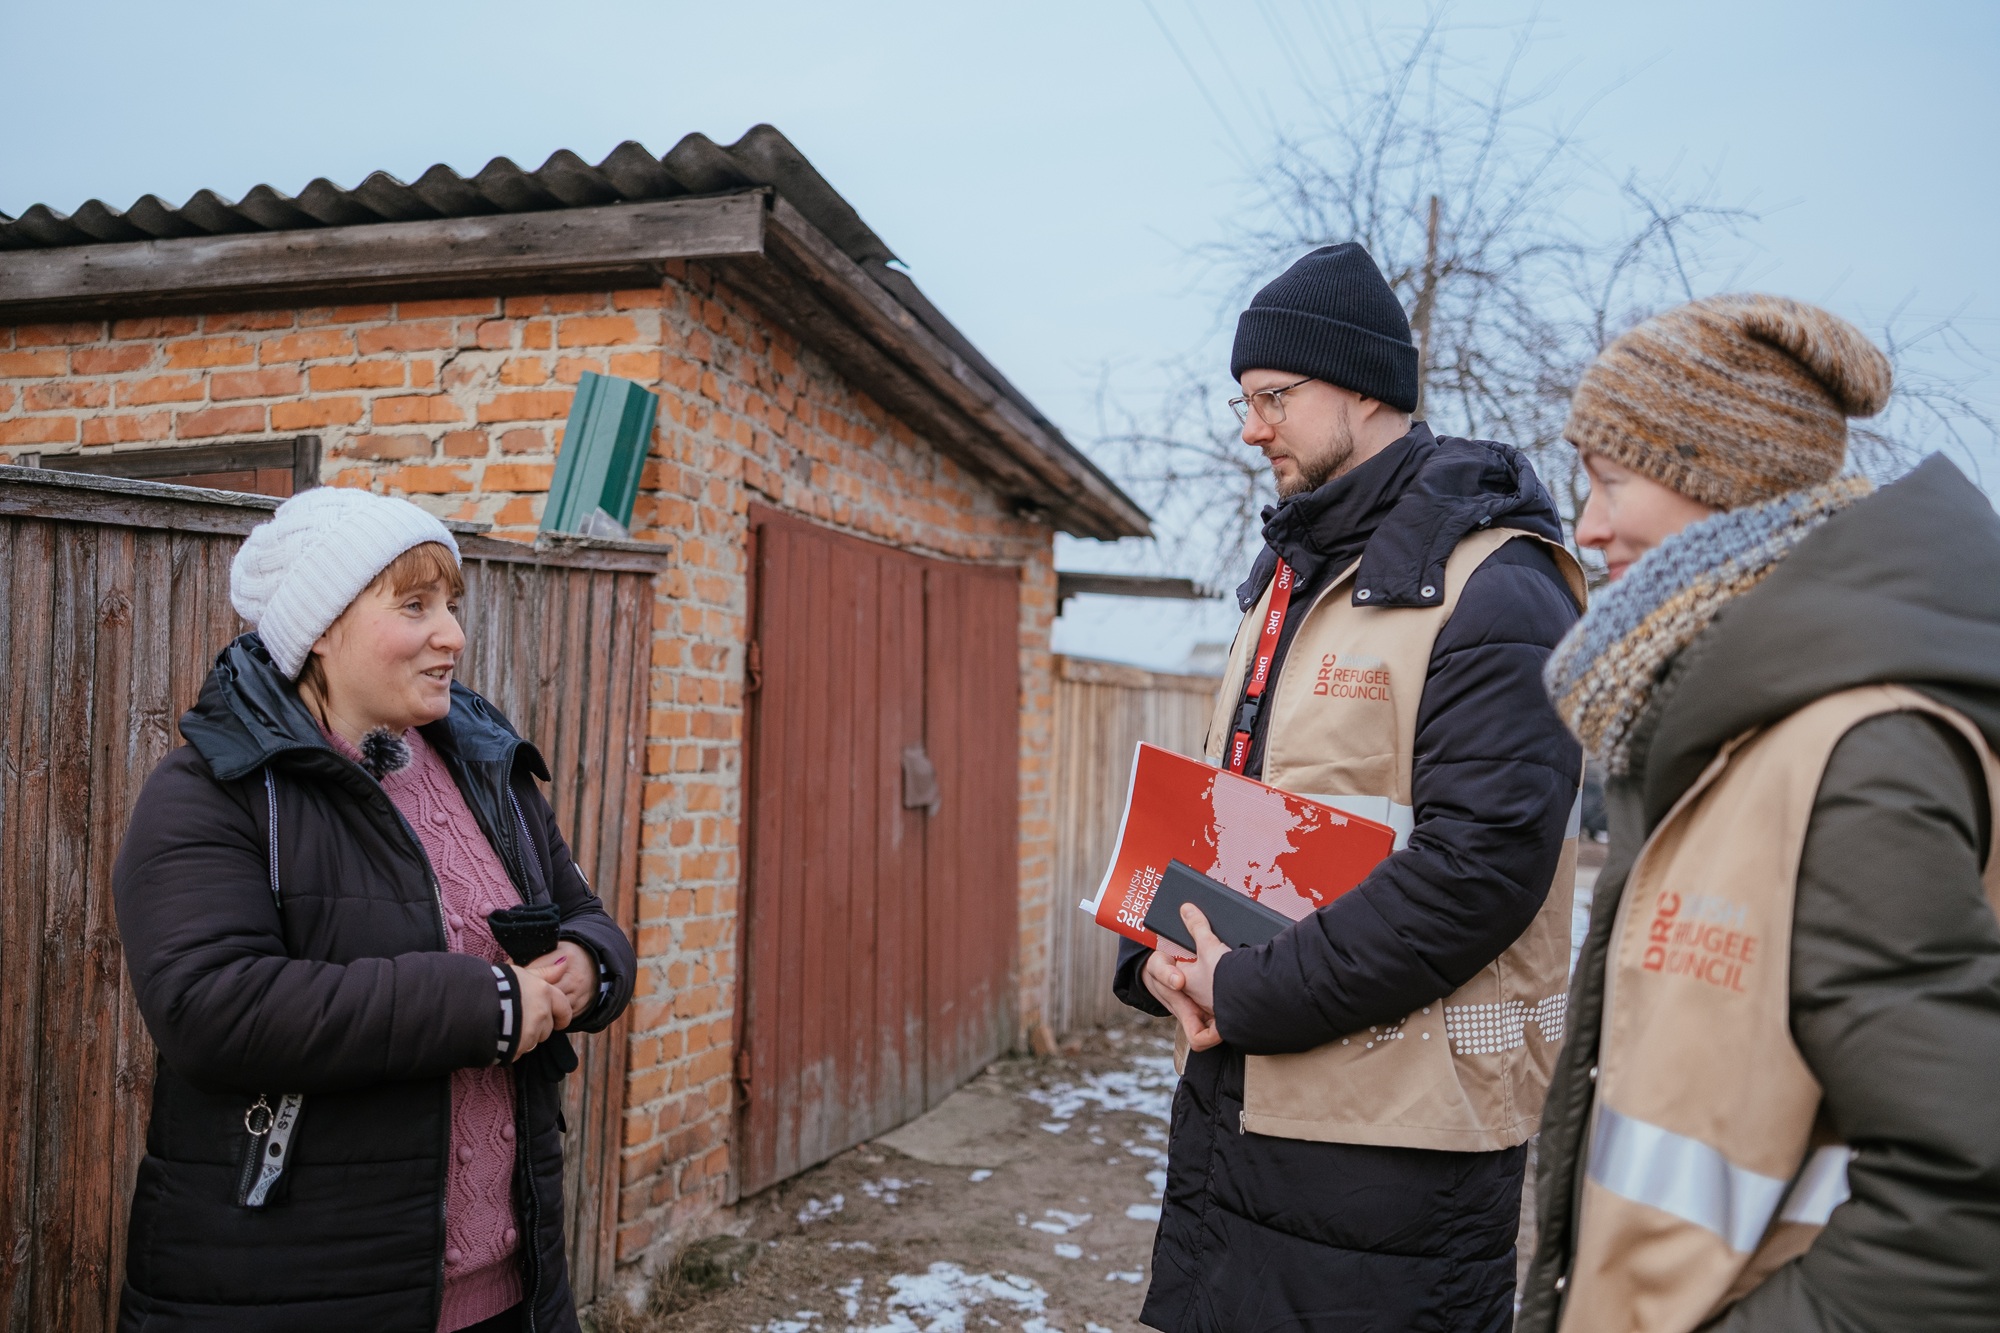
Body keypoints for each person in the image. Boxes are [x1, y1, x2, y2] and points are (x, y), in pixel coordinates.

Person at [1115, 242, 1586, 1330]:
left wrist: (1244, 992)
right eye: (1244, 401)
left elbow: (1475, 874)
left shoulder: (1496, 586)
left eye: (1273, 396)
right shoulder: (1289, 577)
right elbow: (1235, 817)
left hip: (1397, 1153)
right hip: (1238, 1108)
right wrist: (1162, 956)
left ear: (1363, 387)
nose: (1251, 428)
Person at [1520, 295, 2000, 1332]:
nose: (1587, 525)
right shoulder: (1719, 732)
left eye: (1612, 480)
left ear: (1724, 480)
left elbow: (1962, 1201)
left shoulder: (1860, 756)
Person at [112, 487, 637, 1332]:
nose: (452, 634)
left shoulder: (483, 765)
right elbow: (211, 1008)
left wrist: (588, 962)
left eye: (451, 605)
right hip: (300, 1294)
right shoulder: (216, 791)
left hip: (516, 1288)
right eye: (415, 605)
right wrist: (484, 1005)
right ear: (321, 627)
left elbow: (583, 911)